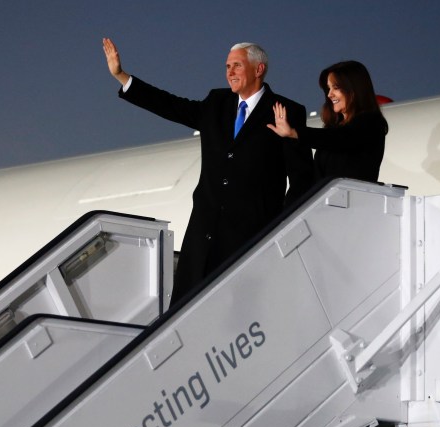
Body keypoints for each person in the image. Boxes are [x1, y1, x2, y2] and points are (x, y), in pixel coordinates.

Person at [102, 38, 313, 305]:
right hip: (203, 237)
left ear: (258, 69)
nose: (230, 72)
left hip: (250, 240)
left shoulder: (286, 111)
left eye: (237, 65)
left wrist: (278, 229)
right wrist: (122, 76)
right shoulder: (217, 102)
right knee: (186, 313)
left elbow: (302, 177)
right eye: (227, 66)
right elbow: (171, 105)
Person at [268, 60, 388, 183]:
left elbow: (342, 139)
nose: (329, 94)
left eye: (335, 88)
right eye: (328, 88)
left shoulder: (371, 124)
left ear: (354, 89)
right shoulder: (333, 129)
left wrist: (295, 132)